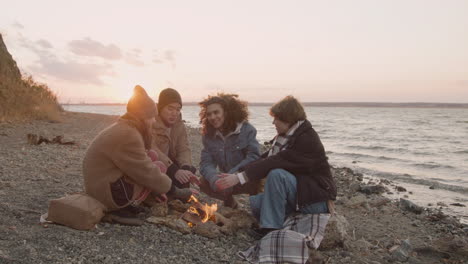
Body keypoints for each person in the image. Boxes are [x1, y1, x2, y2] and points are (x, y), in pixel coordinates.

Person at [216, 95, 337, 235]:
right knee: (257, 204)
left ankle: (270, 229)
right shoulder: (287, 137)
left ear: (288, 119)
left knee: (277, 174)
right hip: (302, 193)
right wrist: (237, 173)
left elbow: (276, 161)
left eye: (276, 119)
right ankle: (278, 220)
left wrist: (240, 177)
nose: (273, 123)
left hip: (316, 200)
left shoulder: (306, 139)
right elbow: (265, 158)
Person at [83, 85, 172, 225]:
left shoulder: (125, 127)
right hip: (106, 194)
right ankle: (118, 209)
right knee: (158, 167)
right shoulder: (129, 135)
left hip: (99, 185)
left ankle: (127, 205)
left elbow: (142, 159)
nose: (154, 121)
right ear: (142, 117)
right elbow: (145, 171)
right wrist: (168, 186)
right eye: (151, 117)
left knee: (152, 156)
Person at [198, 93, 262, 208]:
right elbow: (206, 163)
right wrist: (214, 179)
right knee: (203, 182)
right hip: (226, 181)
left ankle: (258, 205)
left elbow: (254, 157)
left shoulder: (247, 130)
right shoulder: (208, 135)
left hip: (245, 177)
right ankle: (230, 201)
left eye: (216, 112)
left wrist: (235, 175)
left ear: (226, 112)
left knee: (262, 181)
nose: (212, 117)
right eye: (209, 114)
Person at [151, 88, 200, 197]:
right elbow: (152, 148)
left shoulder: (179, 124)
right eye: (170, 108)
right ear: (160, 107)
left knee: (189, 171)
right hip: (158, 166)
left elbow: (183, 148)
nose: (174, 113)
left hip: (172, 165)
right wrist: (174, 170)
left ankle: (175, 193)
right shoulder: (151, 122)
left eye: (178, 109)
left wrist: (185, 169)